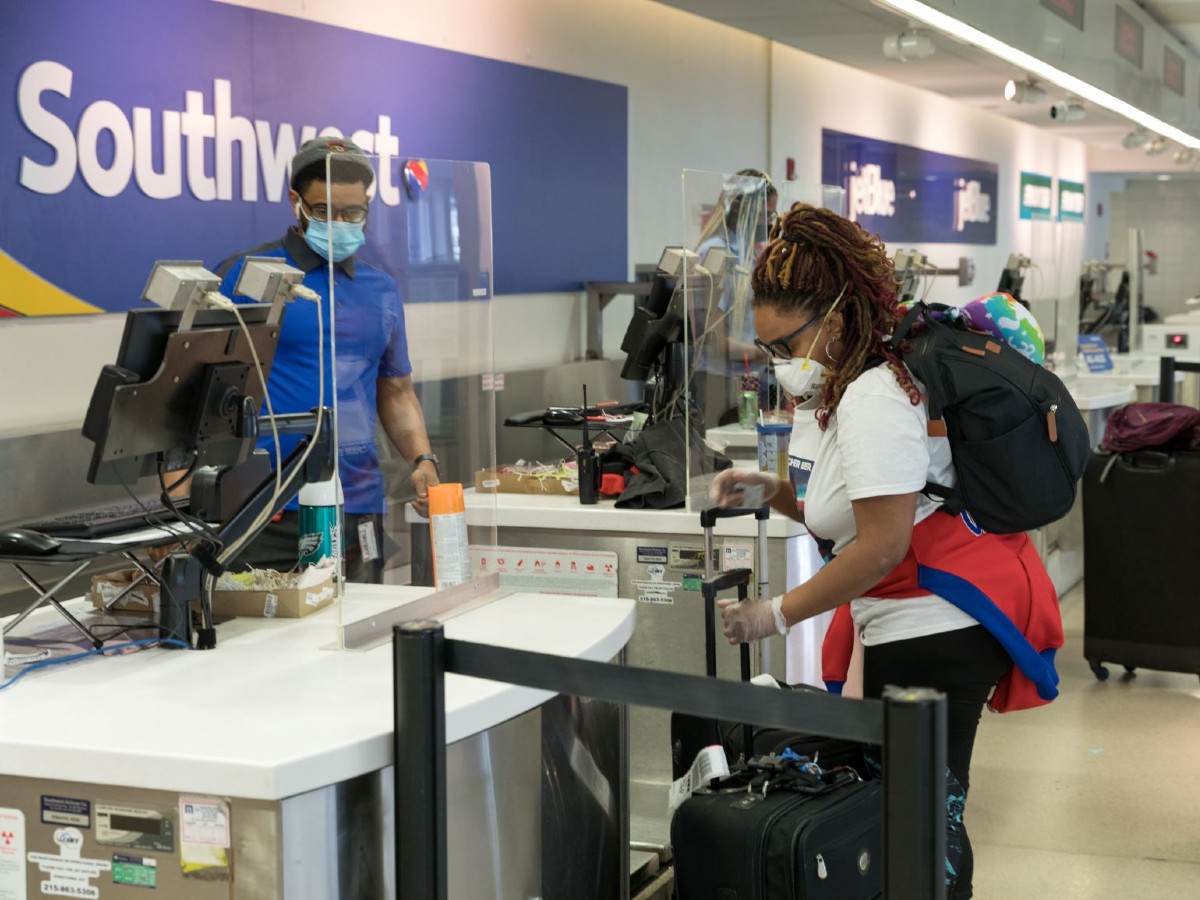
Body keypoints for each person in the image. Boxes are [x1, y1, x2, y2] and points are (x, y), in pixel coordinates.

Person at [710, 203, 1063, 899]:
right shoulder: (840, 387)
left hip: (938, 625)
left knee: (928, 817)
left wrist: (774, 615)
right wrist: (768, 490)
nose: (778, 362)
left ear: (836, 320)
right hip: (911, 617)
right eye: (769, 349)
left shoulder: (876, 392)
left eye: (785, 344)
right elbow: (841, 504)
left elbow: (880, 545)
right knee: (914, 810)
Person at [216, 137, 440, 583]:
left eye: (353, 213)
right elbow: (200, 397)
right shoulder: (246, 277)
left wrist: (423, 461)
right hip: (268, 509)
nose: (339, 223)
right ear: (295, 203)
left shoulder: (381, 288)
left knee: (357, 646)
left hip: (358, 506)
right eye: (323, 211)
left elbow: (395, 390)